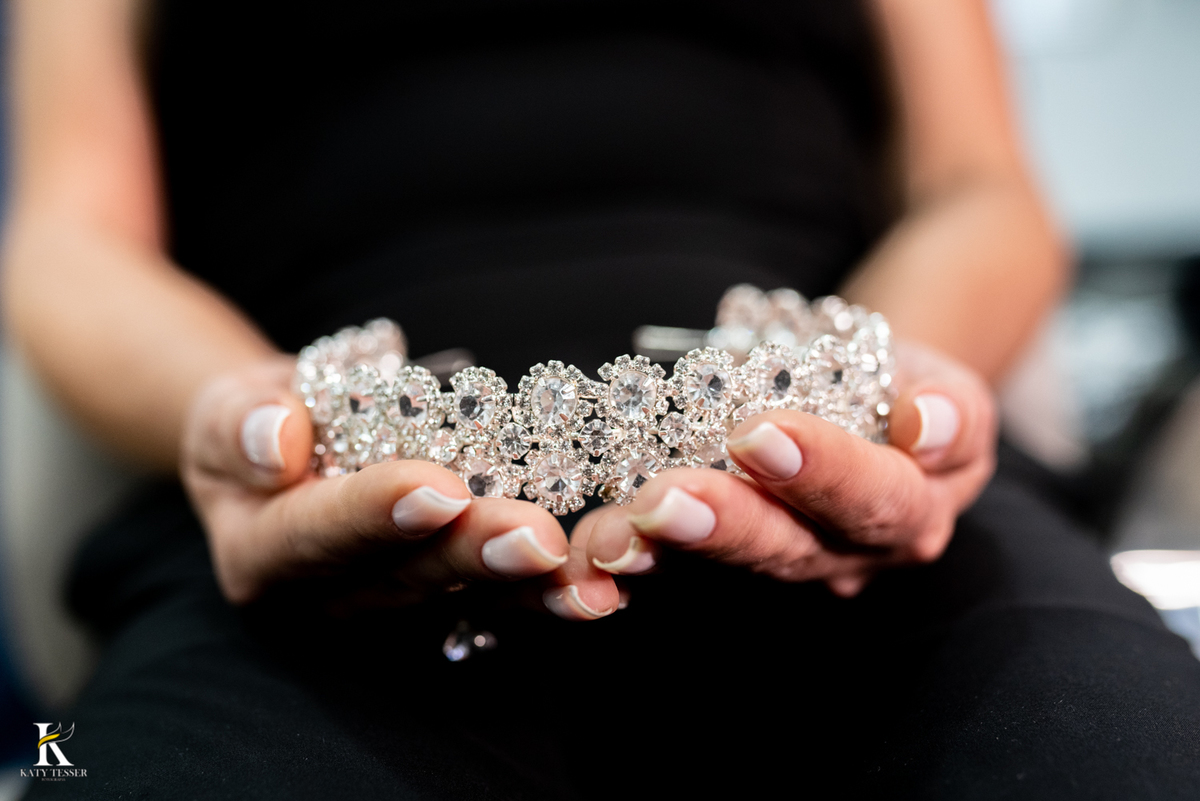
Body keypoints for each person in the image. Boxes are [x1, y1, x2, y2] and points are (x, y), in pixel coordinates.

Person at [4, 0, 1198, 797]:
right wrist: (241, 415)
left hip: (838, 476)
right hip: (324, 493)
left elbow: (981, 187)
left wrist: (876, 388)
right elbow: (68, 234)